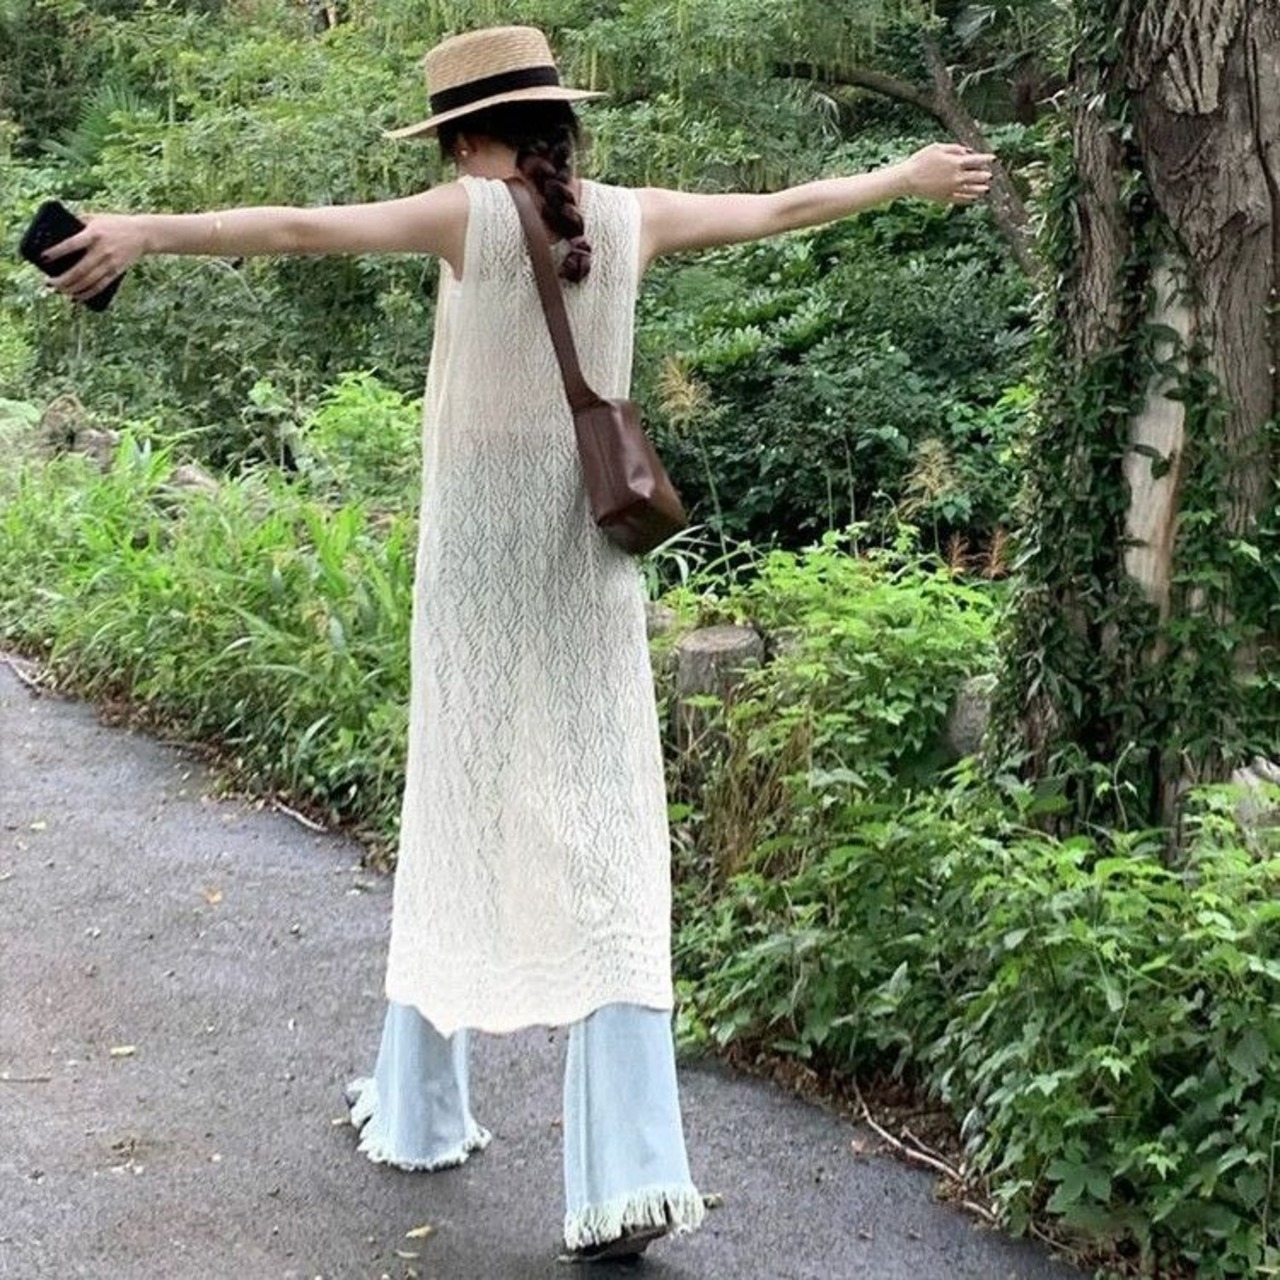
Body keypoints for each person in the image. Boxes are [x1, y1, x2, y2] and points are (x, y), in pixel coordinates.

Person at [40, 23, 994, 1263]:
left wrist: (139, 231)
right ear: (559, 123)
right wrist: (900, 178)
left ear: (458, 138)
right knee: (606, 833)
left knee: (456, 807)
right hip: (592, 566)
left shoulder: (466, 217)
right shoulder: (632, 216)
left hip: (478, 577)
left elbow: (295, 227)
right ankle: (627, 1169)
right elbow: (781, 207)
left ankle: (424, 1105)